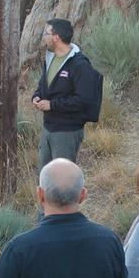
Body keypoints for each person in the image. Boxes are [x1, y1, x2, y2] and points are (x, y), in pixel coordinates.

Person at [32, 18, 97, 168]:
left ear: (56, 37)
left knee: (62, 180)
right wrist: (36, 96)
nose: (44, 37)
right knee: (45, 178)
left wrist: (52, 105)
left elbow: (84, 100)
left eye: (46, 33)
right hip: (48, 128)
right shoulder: (50, 58)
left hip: (67, 131)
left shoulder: (80, 65)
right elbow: (43, 85)